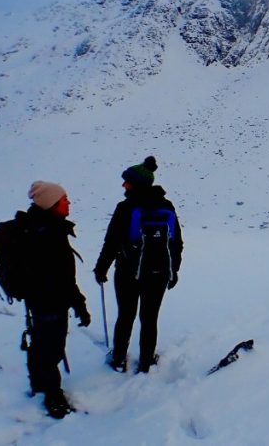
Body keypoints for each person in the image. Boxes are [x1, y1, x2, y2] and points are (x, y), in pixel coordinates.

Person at [93, 156, 183, 374]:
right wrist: (174, 271)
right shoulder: (166, 206)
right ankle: (146, 361)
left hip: (127, 272)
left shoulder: (125, 208)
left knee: (125, 316)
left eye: (127, 182)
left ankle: (118, 360)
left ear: (136, 184)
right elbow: (176, 243)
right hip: (159, 272)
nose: (124, 185)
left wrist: (101, 268)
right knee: (150, 318)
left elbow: (112, 242)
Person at [20, 180, 91, 419]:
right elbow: (62, 277)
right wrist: (78, 303)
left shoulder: (40, 227)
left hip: (41, 301)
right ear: (52, 204)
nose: (68, 203)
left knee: (41, 343)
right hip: (50, 301)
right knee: (51, 348)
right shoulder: (48, 234)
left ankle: (39, 384)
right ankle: (53, 397)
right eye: (64, 200)